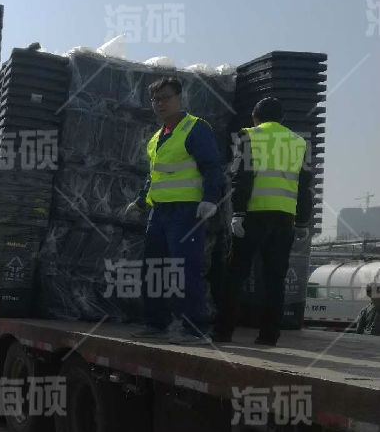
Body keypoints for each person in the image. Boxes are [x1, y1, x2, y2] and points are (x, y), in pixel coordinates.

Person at [124, 77, 223, 345]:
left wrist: (210, 199)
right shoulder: (157, 138)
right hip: (159, 212)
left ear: (180, 97)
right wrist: (141, 201)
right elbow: (154, 176)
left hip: (186, 211)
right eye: (155, 100)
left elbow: (212, 166)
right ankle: (156, 324)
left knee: (185, 268)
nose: (160, 104)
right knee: (153, 269)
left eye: (165, 98)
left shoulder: (195, 128)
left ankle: (195, 329)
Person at [212, 97, 312, 345]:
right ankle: (269, 336)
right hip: (284, 218)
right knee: (275, 280)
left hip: (254, 215)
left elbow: (242, 176)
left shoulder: (249, 135)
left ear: (255, 117)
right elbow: (305, 185)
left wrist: (238, 213)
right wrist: (302, 221)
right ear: (282, 119)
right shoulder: (299, 142)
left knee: (236, 274)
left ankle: (224, 331)